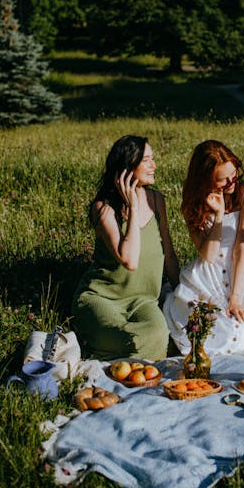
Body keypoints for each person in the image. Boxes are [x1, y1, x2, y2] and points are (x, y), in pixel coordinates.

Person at [72, 135, 180, 360]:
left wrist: (181, 292)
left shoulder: (156, 200)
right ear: (128, 168)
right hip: (102, 298)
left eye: (153, 159)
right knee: (133, 339)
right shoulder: (103, 208)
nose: (154, 166)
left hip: (144, 301)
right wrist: (132, 206)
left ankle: (115, 350)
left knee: (159, 335)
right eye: (147, 160)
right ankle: (98, 343)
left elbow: (167, 253)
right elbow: (129, 260)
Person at [163, 140, 244, 355]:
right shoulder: (193, 203)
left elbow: (241, 248)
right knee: (209, 329)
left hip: (239, 275)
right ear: (205, 180)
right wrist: (218, 214)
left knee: (239, 333)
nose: (230, 182)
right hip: (207, 277)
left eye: (233, 174)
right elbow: (208, 254)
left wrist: (236, 297)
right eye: (222, 180)